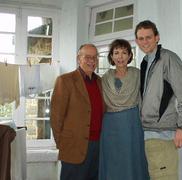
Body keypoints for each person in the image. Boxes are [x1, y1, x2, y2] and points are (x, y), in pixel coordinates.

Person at [135, 20, 182, 180]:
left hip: (162, 135)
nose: (144, 42)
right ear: (136, 41)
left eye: (148, 37)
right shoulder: (145, 62)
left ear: (157, 37)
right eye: (140, 38)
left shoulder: (168, 58)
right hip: (149, 134)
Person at [50, 44, 104, 180]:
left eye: (95, 57)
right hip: (74, 147)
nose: (91, 60)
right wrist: (63, 144)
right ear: (78, 59)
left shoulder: (101, 82)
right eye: (87, 57)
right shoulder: (65, 80)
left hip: (98, 147)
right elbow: (56, 117)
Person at [99, 39, 149, 180]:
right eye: (116, 53)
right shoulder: (104, 78)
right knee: (113, 160)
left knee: (132, 158)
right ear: (111, 56)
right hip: (110, 125)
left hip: (132, 123)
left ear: (129, 56)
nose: (120, 56)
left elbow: (147, 98)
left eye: (124, 52)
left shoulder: (138, 75)